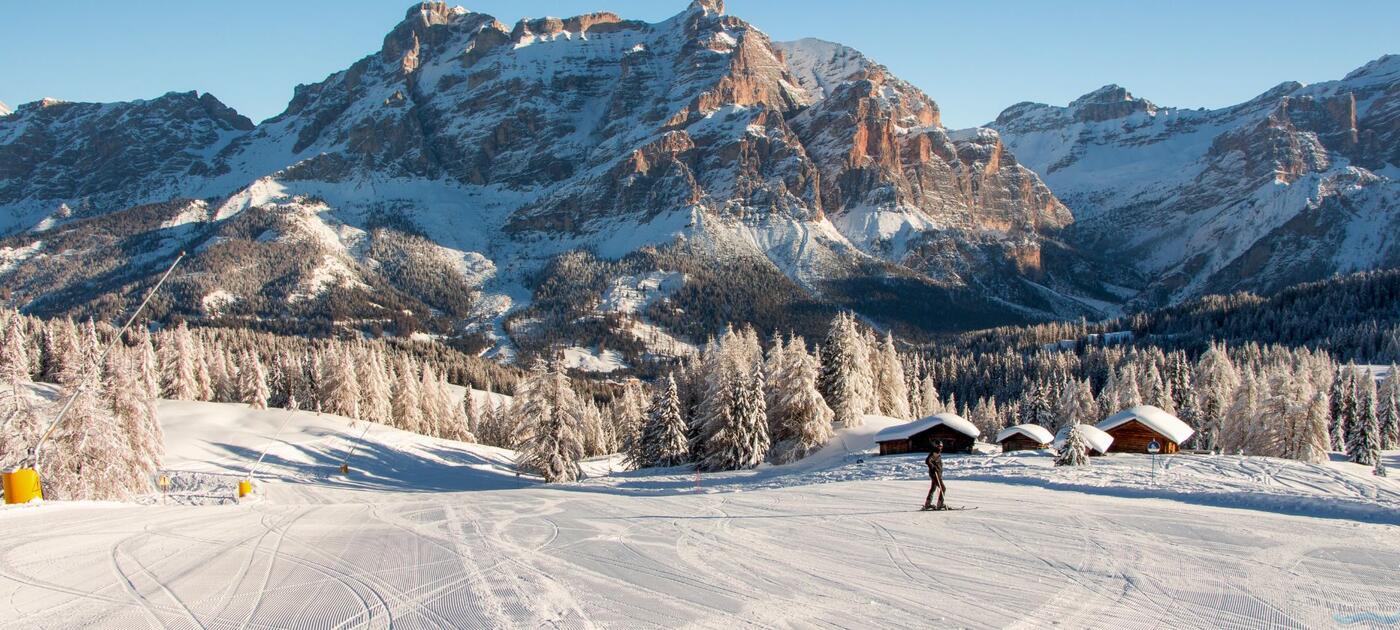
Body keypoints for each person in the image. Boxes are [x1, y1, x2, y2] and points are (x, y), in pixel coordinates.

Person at [923, 442, 946, 510]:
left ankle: (928, 504)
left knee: (933, 488)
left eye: (941, 446)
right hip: (935, 474)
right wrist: (933, 467)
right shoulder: (934, 453)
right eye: (939, 446)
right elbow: (927, 461)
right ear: (936, 446)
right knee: (943, 488)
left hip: (936, 474)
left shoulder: (937, 453)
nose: (940, 447)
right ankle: (940, 504)